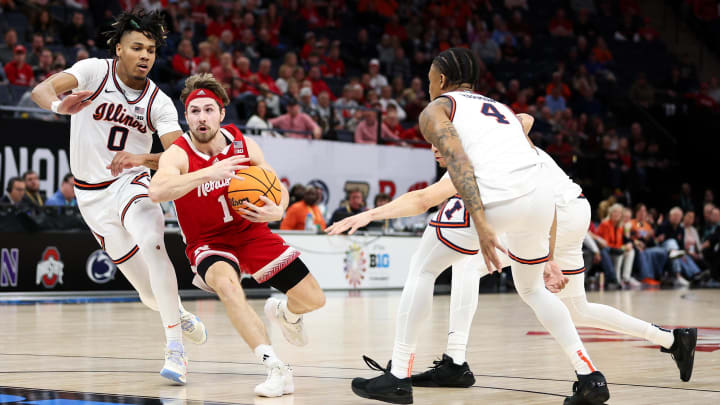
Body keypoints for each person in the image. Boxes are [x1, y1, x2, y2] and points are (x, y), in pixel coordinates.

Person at [329, 115, 697, 399]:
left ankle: (456, 361)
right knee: (577, 307)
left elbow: (424, 199)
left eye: (438, 142)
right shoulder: (503, 136)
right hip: (572, 208)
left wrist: (370, 215)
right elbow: (524, 119)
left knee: (471, 264)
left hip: (550, 215)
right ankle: (669, 340)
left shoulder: (475, 158)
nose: (434, 151)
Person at [336, 48, 609, 405]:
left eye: (430, 79)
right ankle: (589, 376)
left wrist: (481, 222)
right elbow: (528, 135)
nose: (427, 86)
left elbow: (460, 164)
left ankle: (398, 375)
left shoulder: (436, 109)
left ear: (443, 81)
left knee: (423, 268)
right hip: (542, 200)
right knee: (533, 291)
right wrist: (549, 254)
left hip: (495, 198)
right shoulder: (502, 111)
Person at [31, 10, 206, 384]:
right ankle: (175, 312)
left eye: (152, 50)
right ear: (119, 48)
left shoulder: (158, 101)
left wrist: (142, 158)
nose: (145, 56)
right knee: (146, 293)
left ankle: (175, 348)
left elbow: (181, 158)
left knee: (152, 241)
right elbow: (40, 90)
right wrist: (58, 106)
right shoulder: (94, 71)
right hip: (90, 197)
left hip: (132, 184)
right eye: (137, 47)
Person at [148, 73, 326, 397]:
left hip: (251, 232)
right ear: (185, 117)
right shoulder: (179, 152)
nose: (202, 118)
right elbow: (157, 189)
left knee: (315, 299)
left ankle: (285, 313)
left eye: (208, 110)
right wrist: (208, 172)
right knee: (229, 288)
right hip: (208, 244)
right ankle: (276, 367)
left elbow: (277, 185)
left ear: (221, 113)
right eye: (194, 112)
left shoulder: (243, 144)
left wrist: (279, 209)